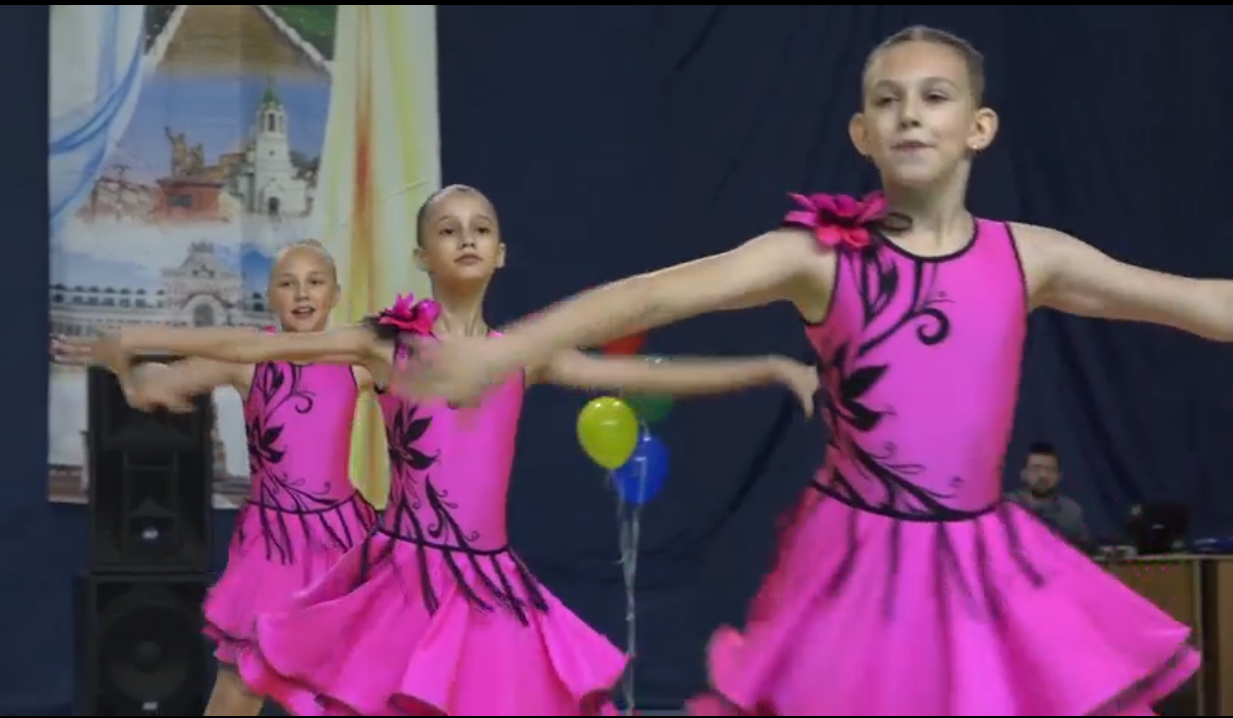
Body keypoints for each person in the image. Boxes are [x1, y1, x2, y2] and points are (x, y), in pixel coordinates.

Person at [392, 27, 1215, 716]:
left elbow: (1185, 301)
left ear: (978, 126)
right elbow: (653, 294)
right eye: (886, 100)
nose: (909, 114)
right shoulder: (818, 258)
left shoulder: (1027, 257)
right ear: (861, 133)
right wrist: (503, 351)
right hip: (865, 566)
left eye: (933, 96)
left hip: (983, 562)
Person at [87, 184, 819, 715]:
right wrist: (141, 340)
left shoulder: (521, 356)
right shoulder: (386, 346)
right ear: (422, 254)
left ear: (500, 253)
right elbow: (254, 346)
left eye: (480, 228)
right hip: (404, 575)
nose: (466, 238)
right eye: (448, 229)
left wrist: (768, 367)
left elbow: (641, 376)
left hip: (488, 584)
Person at [60, 240, 380, 717]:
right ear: (270, 296)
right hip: (275, 546)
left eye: (315, 282)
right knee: (242, 685)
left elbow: (432, 379)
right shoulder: (248, 359)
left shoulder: (356, 363)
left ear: (335, 294)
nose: (302, 293)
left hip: (343, 539)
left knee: (347, 684)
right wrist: (121, 366)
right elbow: (154, 387)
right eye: (288, 283)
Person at [1008, 442, 1091, 549]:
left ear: (1059, 476)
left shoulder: (1071, 513)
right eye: (1036, 469)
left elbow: (1082, 554)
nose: (1043, 475)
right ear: (1023, 474)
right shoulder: (1005, 508)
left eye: (1050, 470)